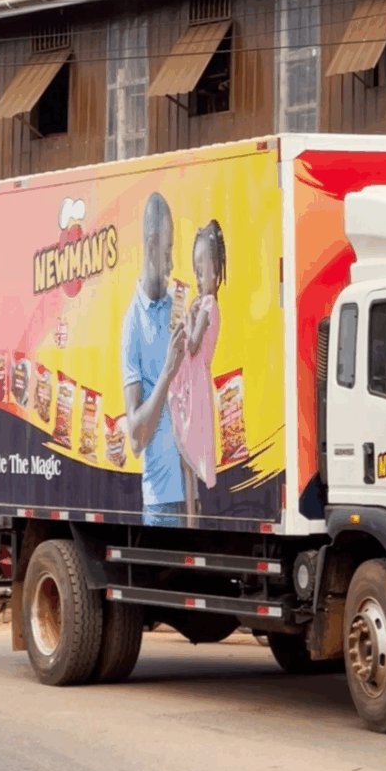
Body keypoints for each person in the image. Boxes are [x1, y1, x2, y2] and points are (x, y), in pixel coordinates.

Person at [121, 192, 187, 527]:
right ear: (150, 249)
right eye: (167, 251)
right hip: (162, 505)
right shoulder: (133, 323)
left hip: (192, 494)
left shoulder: (177, 306)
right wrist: (167, 373)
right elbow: (135, 439)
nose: (172, 264)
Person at [168, 219, 226, 526]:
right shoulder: (201, 303)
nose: (200, 275)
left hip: (196, 384)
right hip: (190, 383)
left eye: (205, 268)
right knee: (185, 456)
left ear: (217, 271)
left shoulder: (209, 305)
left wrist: (188, 319)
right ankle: (190, 513)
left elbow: (192, 346)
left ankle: (192, 515)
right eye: (197, 268)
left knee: (190, 452)